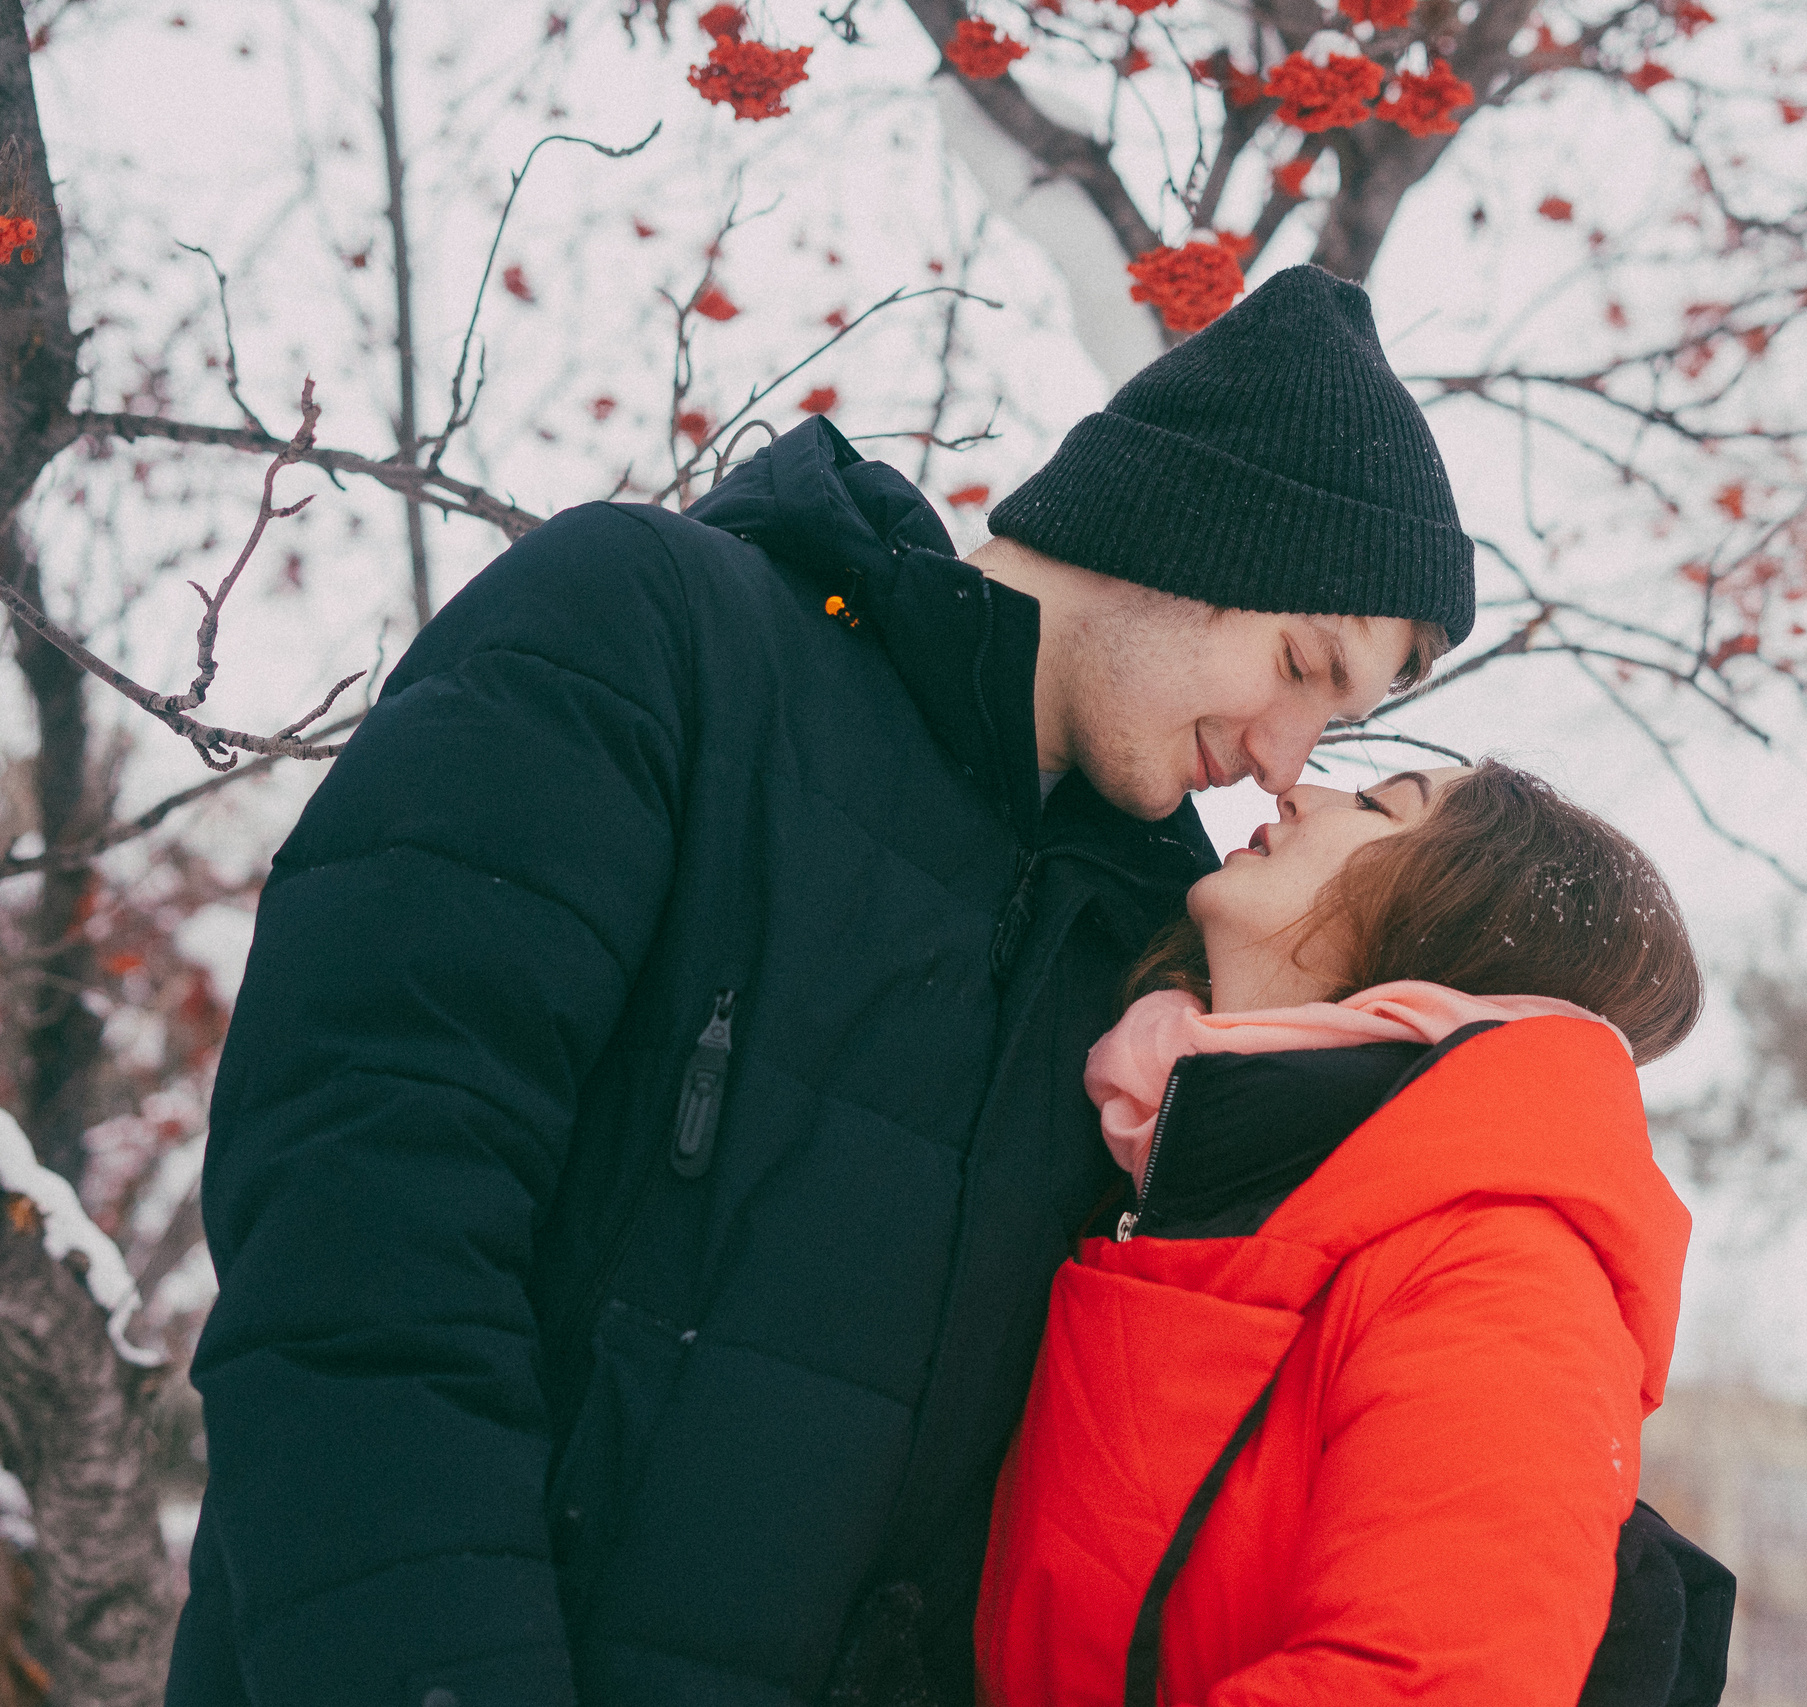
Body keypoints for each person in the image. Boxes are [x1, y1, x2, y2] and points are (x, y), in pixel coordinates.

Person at [167, 264, 1476, 1707]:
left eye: (1340, 719)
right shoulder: (656, 635)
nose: (1287, 757)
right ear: (1184, 526)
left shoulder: (1149, 966)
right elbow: (362, 1218)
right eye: (1300, 664)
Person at [976, 759, 1732, 1705]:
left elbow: (1425, 1685)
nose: (1298, 788)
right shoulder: (1172, 1168)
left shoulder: (1501, 1273)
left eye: (1378, 806)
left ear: (1446, 928)